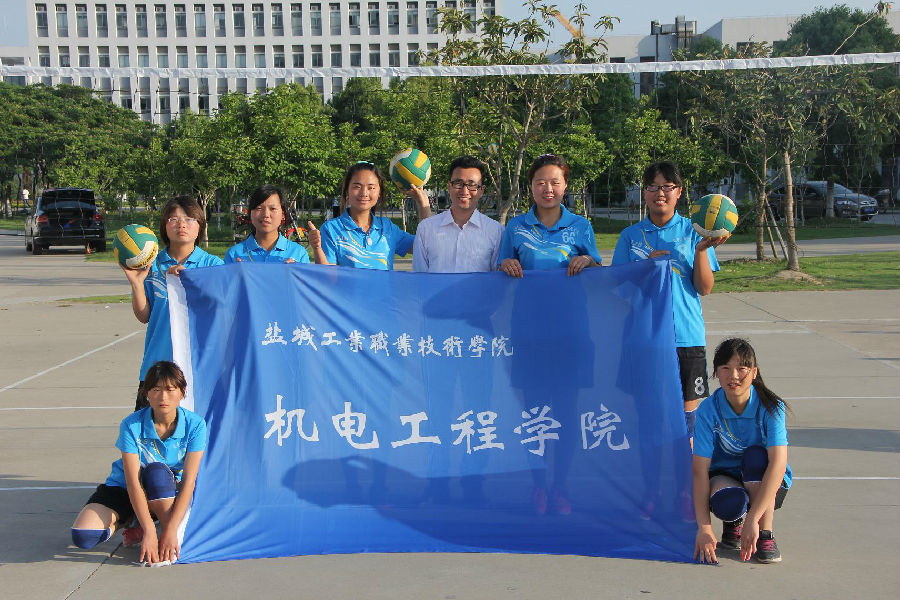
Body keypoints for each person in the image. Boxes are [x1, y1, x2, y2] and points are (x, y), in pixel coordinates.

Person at [612, 161, 728, 437]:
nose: (660, 193)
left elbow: (705, 288)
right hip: (643, 338)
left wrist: (701, 250)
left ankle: (686, 466)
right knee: (646, 415)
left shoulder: (694, 231)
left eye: (667, 186)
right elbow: (618, 290)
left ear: (679, 192)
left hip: (685, 337)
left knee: (686, 421)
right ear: (644, 192)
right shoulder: (630, 236)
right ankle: (651, 465)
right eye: (653, 187)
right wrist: (645, 269)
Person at [70, 361, 208, 566]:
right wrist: (149, 531)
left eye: (170, 390)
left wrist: (170, 531)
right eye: (156, 390)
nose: (163, 397)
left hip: (166, 491)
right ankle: (136, 523)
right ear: (146, 393)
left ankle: (166, 528)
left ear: (182, 392)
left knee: (157, 473)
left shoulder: (195, 425)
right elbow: (133, 483)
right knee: (83, 536)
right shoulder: (131, 424)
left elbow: (189, 482)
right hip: (126, 488)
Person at [693, 338, 791, 564]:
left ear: (754, 372)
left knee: (756, 457)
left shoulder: (771, 407)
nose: (733, 376)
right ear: (716, 372)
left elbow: (778, 464)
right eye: (725, 368)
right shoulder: (708, 409)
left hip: (763, 477)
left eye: (741, 368)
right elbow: (699, 470)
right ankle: (733, 524)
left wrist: (753, 520)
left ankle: (765, 533)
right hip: (725, 477)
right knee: (728, 502)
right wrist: (704, 528)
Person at [122, 197, 224, 411]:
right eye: (173, 219)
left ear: (200, 225)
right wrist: (137, 284)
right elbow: (144, 316)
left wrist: (192, 282)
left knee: (196, 431)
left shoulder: (213, 265)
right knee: (151, 430)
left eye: (189, 219)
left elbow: (221, 310)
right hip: (158, 366)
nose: (181, 225)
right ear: (164, 226)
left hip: (199, 368)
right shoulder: (152, 265)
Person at [307, 161, 432, 270]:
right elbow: (328, 279)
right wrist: (317, 248)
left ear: (379, 193)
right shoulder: (331, 229)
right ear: (346, 191)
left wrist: (423, 203)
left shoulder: (387, 228)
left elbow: (426, 246)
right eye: (357, 186)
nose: (364, 193)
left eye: (371, 187)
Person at [498, 154, 602, 277]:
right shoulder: (515, 226)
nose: (548, 189)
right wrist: (506, 264)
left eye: (555, 183)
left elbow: (598, 272)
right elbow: (501, 270)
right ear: (531, 186)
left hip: (570, 290)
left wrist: (588, 260)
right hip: (527, 290)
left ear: (565, 185)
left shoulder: (581, 226)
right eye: (541, 183)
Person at [412, 155, 503, 273]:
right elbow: (419, 276)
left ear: (481, 190)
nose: (464, 191)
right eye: (458, 183)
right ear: (449, 186)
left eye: (472, 185)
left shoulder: (496, 231)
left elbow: (497, 278)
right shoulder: (426, 228)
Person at [224, 185, 310, 264]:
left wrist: (295, 273)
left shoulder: (298, 253)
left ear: (283, 214)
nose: (266, 214)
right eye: (259, 208)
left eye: (272, 208)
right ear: (250, 214)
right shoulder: (234, 254)